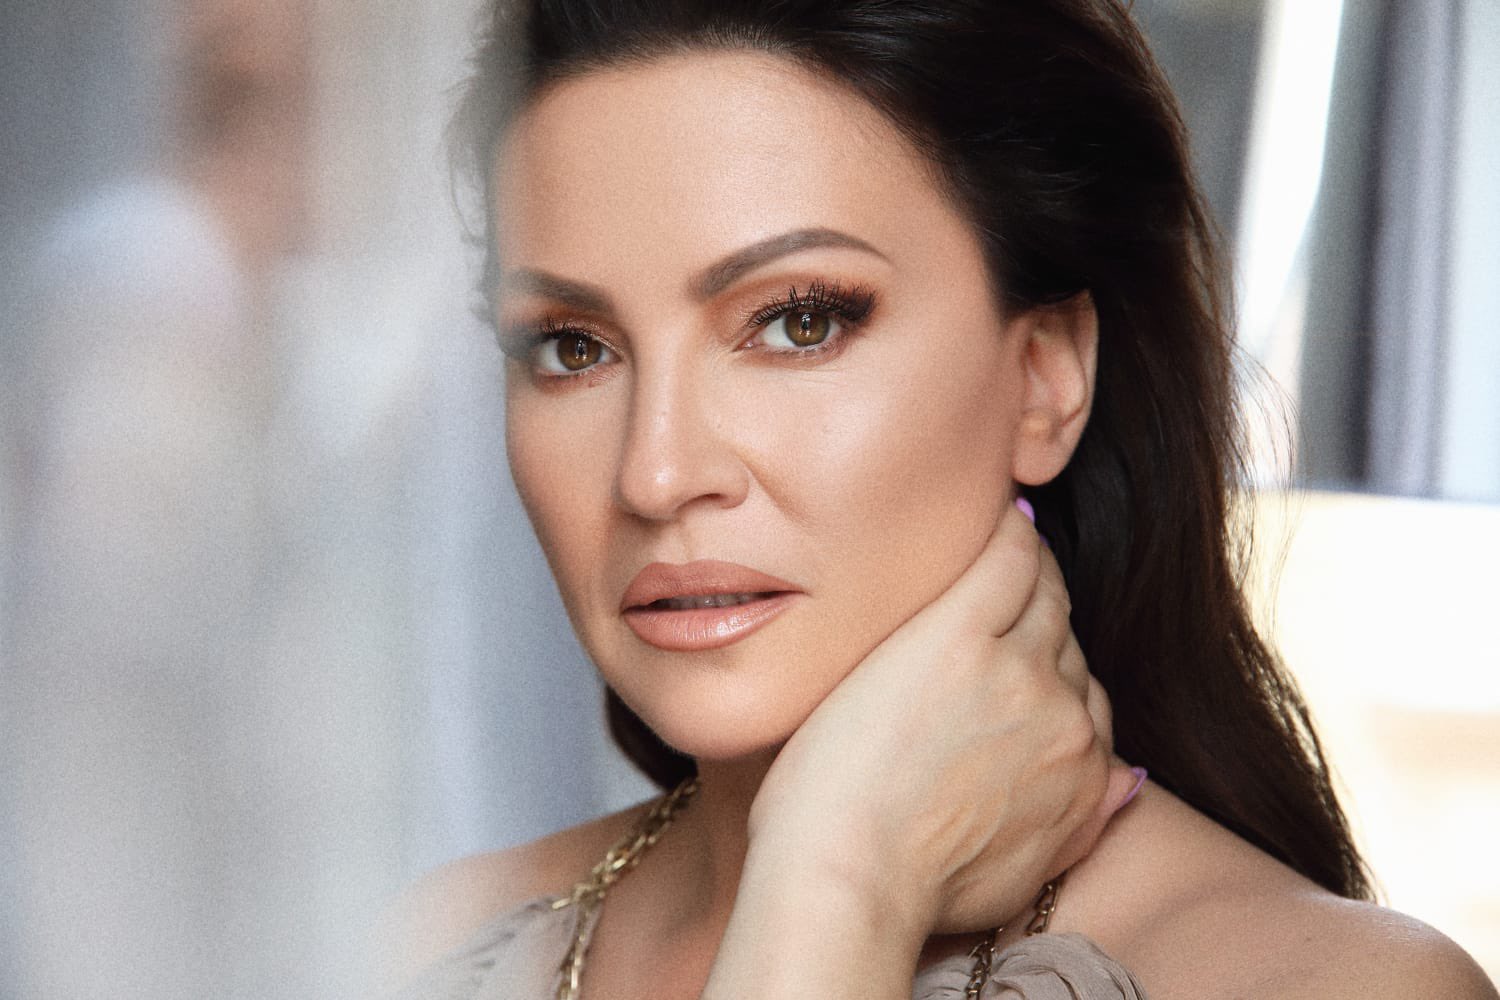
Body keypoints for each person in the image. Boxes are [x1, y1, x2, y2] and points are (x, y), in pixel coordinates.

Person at [384, 1, 1499, 997]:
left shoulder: (1329, 986)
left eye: (799, 322)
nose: (656, 474)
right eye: (571, 347)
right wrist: (836, 894)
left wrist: (840, 882)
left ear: (1045, 376)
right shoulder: (416, 945)